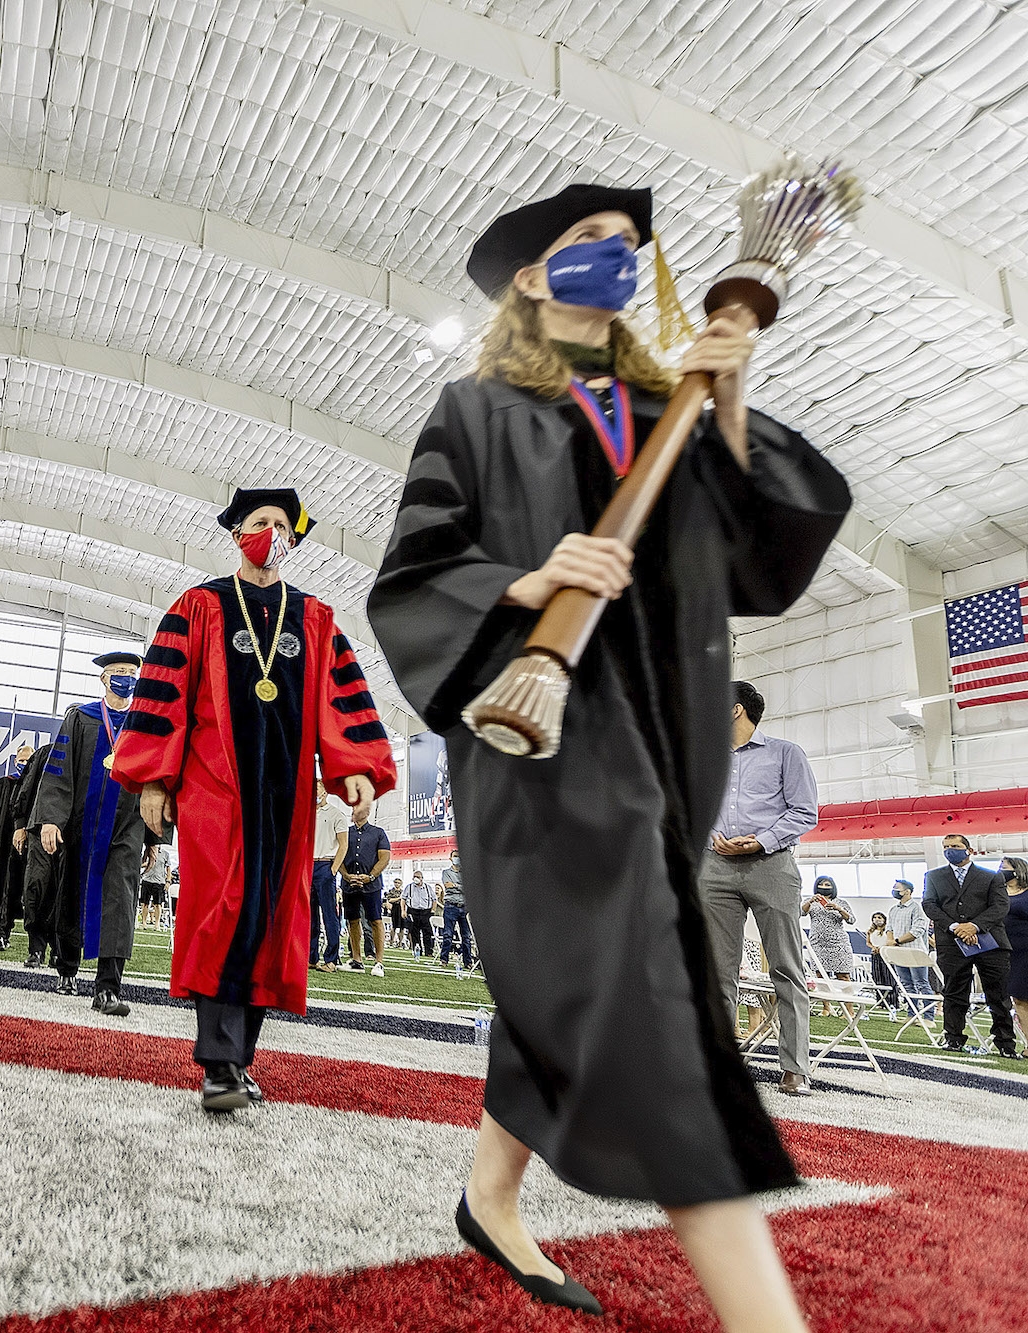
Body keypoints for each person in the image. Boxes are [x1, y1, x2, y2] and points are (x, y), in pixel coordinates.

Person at [367, 183, 849, 1328]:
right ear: (529, 276)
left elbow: (750, 561)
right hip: (540, 738)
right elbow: (415, 570)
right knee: (646, 993)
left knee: (579, 976)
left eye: (629, 245)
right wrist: (528, 580)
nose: (616, 257)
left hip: (664, 740)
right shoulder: (477, 411)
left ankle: (489, 1200)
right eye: (585, 242)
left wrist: (728, 406)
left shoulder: (659, 402)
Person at [115, 486, 397, 1105]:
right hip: (216, 786)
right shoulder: (199, 606)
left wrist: (353, 767)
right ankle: (218, 1063)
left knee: (272, 920)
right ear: (238, 533)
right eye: (258, 521)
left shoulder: (316, 618)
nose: (270, 531)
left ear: (292, 540)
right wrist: (157, 780)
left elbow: (340, 701)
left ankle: (237, 1061)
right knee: (224, 907)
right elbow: (165, 695)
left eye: (280, 524)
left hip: (289, 797)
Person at [703, 681, 820, 1096]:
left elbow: (806, 812)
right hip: (714, 869)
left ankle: (795, 1068)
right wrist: (713, 833)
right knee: (717, 972)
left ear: (736, 710)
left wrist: (763, 840)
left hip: (771, 866)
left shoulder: (786, 754)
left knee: (786, 968)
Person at [33, 650, 150, 1014]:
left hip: (127, 826)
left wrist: (156, 837)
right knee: (73, 894)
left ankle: (108, 988)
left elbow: (156, 779)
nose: (125, 678)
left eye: (131, 672)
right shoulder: (80, 718)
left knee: (120, 900)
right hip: (81, 824)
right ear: (103, 679)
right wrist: (51, 818)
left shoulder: (145, 722)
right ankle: (67, 964)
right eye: (118, 672)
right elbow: (60, 769)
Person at [923, 834, 1020, 1057]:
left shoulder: (991, 877)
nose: (949, 850)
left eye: (955, 846)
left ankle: (1005, 1043)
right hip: (951, 942)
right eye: (946, 847)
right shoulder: (934, 876)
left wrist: (974, 926)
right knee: (954, 993)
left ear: (968, 849)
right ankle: (954, 1039)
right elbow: (929, 904)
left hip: (990, 942)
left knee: (998, 995)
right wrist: (955, 926)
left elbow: (1000, 906)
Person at [0, 741, 36, 950]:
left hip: (27, 849)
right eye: (21, 760)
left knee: (17, 890)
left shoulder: (37, 788)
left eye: (28, 760)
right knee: (0, 886)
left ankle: (7, 929)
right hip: (2, 845)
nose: (24, 764)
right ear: (14, 761)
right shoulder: (3, 784)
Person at [13, 740, 57, 965]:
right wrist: (20, 824)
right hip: (39, 828)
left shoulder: (96, 750)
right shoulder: (45, 753)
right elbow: (26, 787)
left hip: (76, 831)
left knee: (67, 892)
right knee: (36, 886)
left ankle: (60, 951)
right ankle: (36, 948)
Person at [338, 808, 392, 976]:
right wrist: (346, 875)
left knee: (375, 921)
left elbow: (385, 857)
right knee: (352, 921)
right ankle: (357, 960)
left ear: (367, 812)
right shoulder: (345, 832)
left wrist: (371, 876)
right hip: (349, 885)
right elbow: (337, 855)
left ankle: (379, 962)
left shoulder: (378, 833)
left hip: (372, 886)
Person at [884, 879, 935, 1021]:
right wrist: (890, 940)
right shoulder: (893, 909)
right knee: (906, 984)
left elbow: (917, 931)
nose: (894, 890)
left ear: (907, 891)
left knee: (922, 983)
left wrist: (897, 941)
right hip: (899, 952)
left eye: (897, 888)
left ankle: (929, 1017)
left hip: (915, 952)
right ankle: (912, 1015)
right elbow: (889, 928)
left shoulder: (916, 908)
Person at [308, 790, 345, 972]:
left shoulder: (336, 814)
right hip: (308, 866)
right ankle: (311, 957)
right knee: (310, 915)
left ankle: (331, 959)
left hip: (325, 865)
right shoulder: (308, 814)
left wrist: (333, 869)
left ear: (325, 791)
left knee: (329, 915)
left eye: (318, 787)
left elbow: (343, 844)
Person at [801, 876, 856, 982]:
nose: (823, 887)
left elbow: (851, 920)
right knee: (820, 977)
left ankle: (846, 999)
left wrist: (838, 909)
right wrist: (810, 902)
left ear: (833, 887)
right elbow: (801, 913)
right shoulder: (810, 901)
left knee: (843, 976)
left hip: (839, 944)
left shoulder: (841, 902)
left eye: (827, 885)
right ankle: (825, 999)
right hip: (818, 944)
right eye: (820, 884)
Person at [1004, 857, 1028, 1047]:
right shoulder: (997, 893)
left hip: (1026, 950)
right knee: (1019, 999)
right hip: (1009, 952)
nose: (1000, 871)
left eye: (1004, 868)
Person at [439, 850, 474, 974]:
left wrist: (456, 885)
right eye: (455, 857)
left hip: (465, 907)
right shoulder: (446, 872)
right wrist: (460, 886)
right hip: (450, 906)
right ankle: (444, 959)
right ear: (450, 858)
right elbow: (447, 885)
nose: (457, 859)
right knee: (447, 934)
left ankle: (468, 961)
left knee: (467, 937)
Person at [139, 839, 174, 929]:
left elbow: (168, 868)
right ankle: (144, 922)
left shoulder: (165, 854)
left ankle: (157, 923)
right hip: (147, 880)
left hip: (159, 882)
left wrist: (168, 881)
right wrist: (145, 864)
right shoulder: (147, 851)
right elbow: (141, 863)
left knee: (158, 904)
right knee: (144, 903)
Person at [404, 870, 437, 958]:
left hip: (426, 912)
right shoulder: (409, 887)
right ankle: (417, 950)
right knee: (414, 932)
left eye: (418, 877)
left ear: (422, 878)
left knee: (427, 932)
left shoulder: (428, 887)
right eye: (415, 876)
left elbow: (434, 899)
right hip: (413, 911)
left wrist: (432, 910)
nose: (416, 878)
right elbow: (403, 899)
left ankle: (428, 951)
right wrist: (403, 911)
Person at [385, 875, 406, 949]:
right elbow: (390, 900)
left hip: (401, 908)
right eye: (396, 882)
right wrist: (398, 898)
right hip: (395, 909)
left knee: (402, 927)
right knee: (394, 926)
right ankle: (391, 942)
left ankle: (400, 943)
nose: (397, 884)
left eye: (398, 883)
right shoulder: (391, 891)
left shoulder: (403, 892)